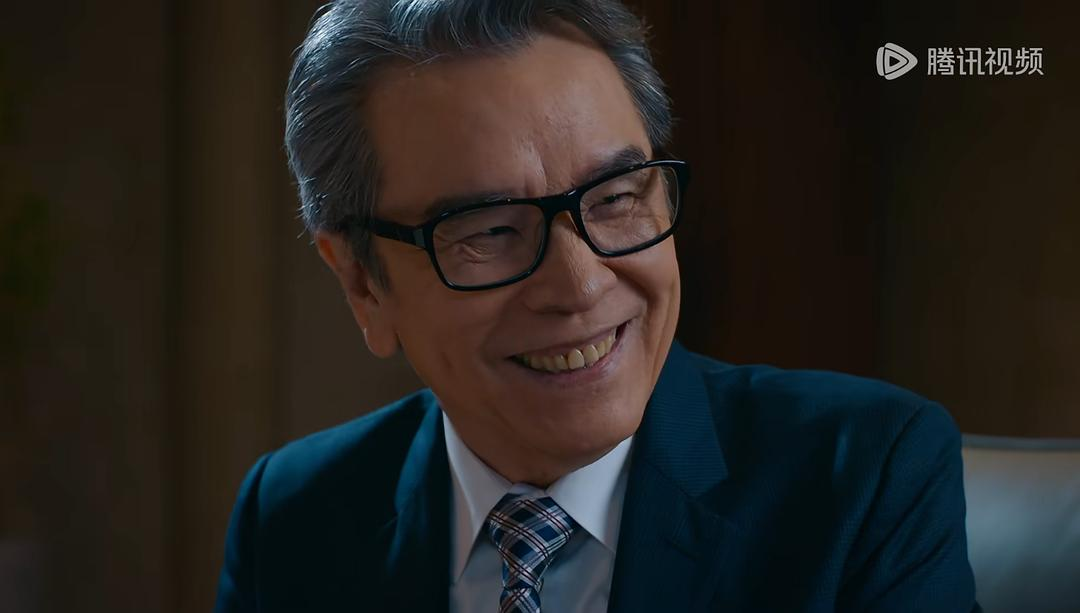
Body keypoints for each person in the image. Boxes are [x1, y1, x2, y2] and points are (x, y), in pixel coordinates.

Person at [214, 1, 980, 611]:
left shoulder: (862, 479)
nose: (580, 284)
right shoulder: (295, 516)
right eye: (489, 230)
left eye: (615, 198)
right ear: (361, 281)